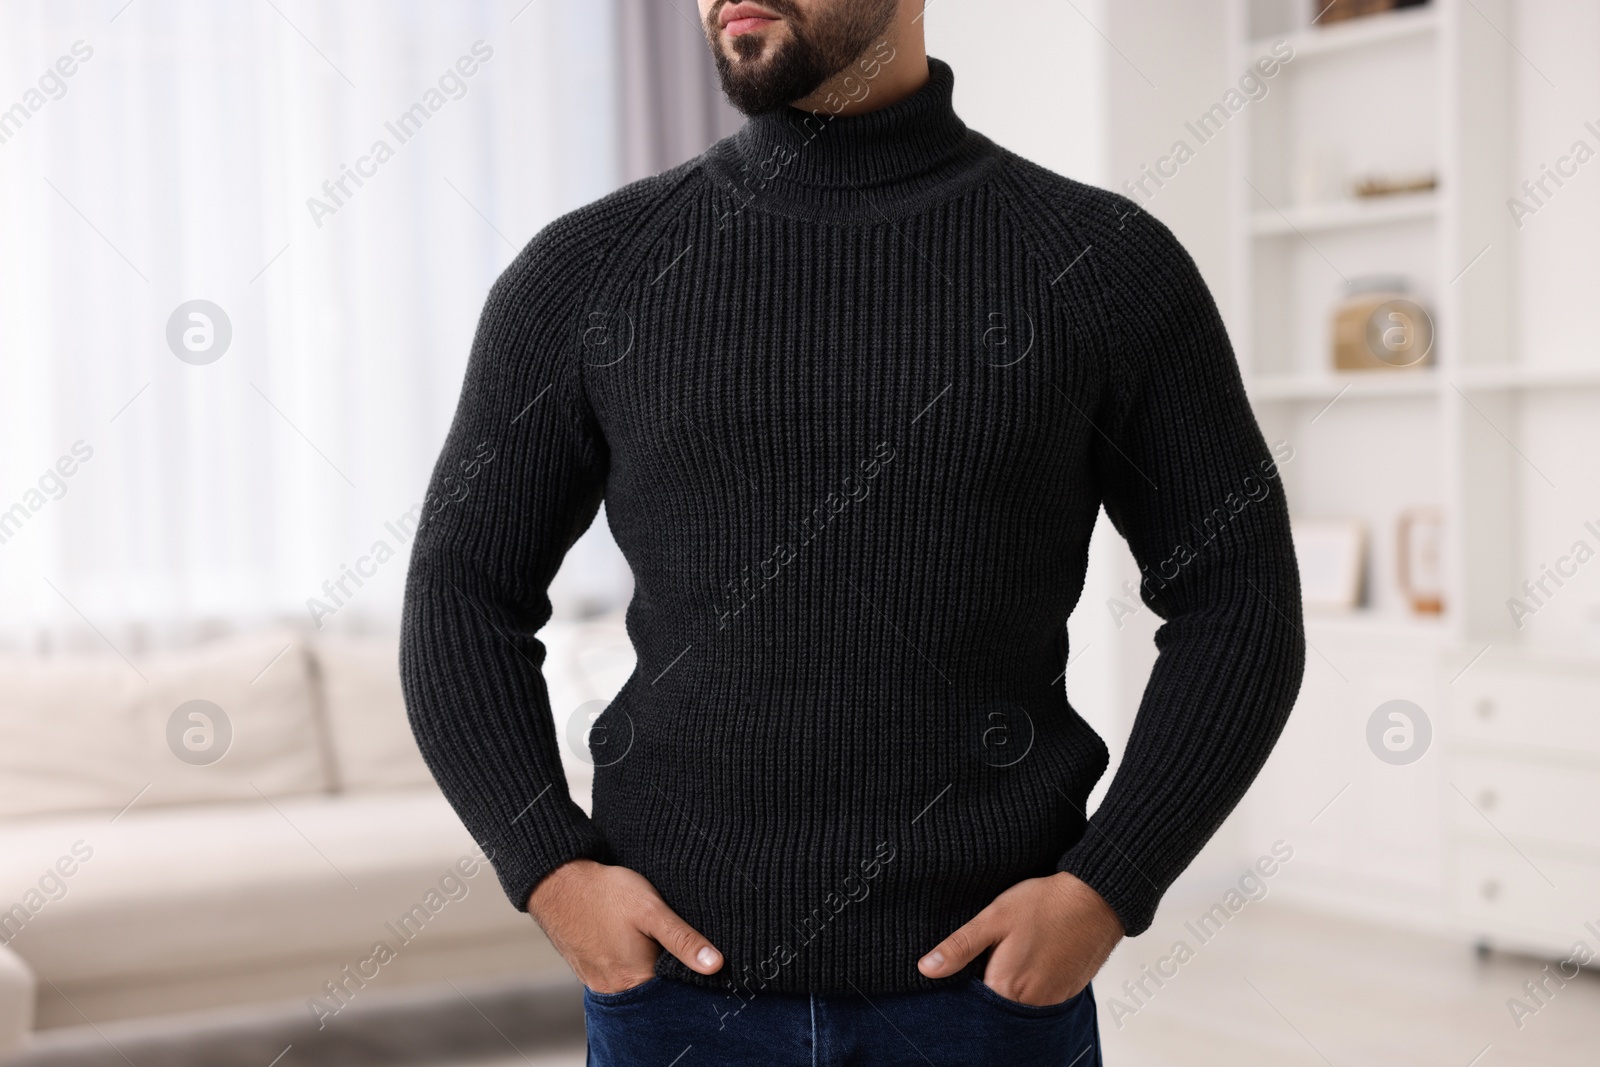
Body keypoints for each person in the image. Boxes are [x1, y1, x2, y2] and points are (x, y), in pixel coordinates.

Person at [399, 1, 1306, 1063]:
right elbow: (460, 593)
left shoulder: (1103, 266)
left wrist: (1108, 883)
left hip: (983, 1003)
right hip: (682, 1002)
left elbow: (1237, 596)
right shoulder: (585, 273)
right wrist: (551, 870)